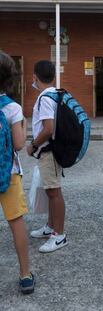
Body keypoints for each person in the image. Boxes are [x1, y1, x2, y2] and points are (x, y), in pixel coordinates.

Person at [0, 51, 35, 294]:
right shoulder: (12, 107)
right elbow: (19, 144)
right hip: (8, 174)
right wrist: (23, 123)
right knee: (16, 222)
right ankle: (24, 275)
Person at [27, 60, 68, 253]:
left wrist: (33, 145)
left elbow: (48, 128)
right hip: (52, 150)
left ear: (35, 76)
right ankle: (50, 227)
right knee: (51, 191)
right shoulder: (55, 94)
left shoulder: (45, 98)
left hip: (48, 151)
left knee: (54, 192)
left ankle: (58, 236)